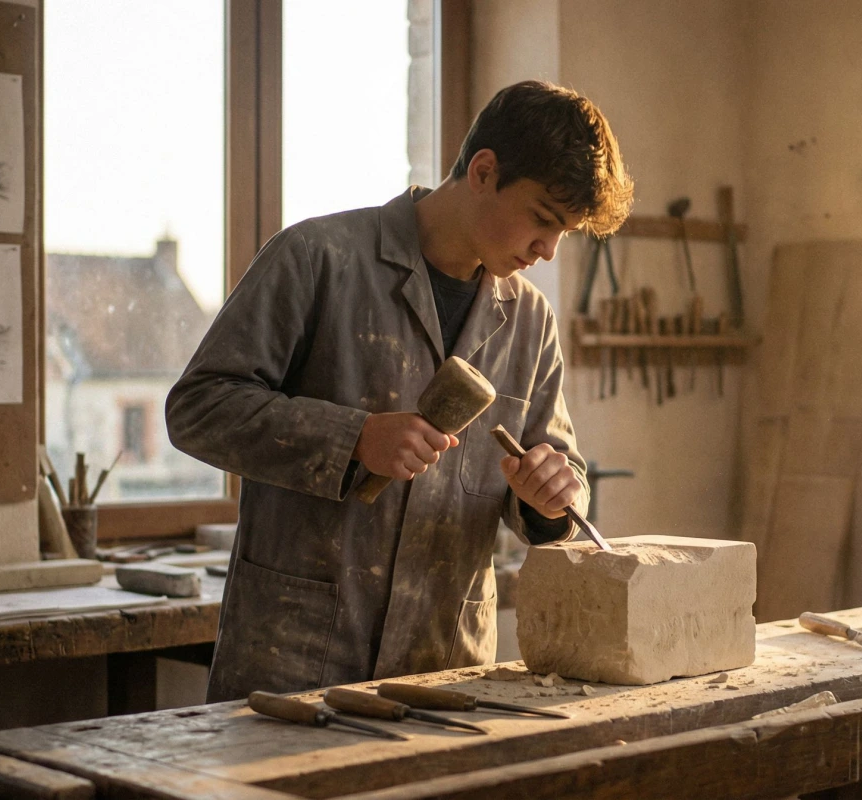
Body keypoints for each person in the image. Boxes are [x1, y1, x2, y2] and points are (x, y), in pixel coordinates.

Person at [166, 80, 634, 701]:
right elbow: (197, 407)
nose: (547, 251)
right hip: (297, 663)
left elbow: (554, 476)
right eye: (544, 220)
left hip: (444, 669)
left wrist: (553, 496)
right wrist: (353, 438)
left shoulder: (530, 321)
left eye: (565, 233)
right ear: (484, 172)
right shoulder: (316, 259)